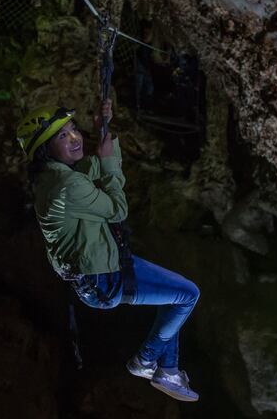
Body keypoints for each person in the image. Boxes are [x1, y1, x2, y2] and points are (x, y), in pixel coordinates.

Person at [16, 100, 200, 402]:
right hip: (104, 280)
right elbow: (117, 209)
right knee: (186, 294)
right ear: (44, 150)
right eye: (63, 137)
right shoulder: (66, 185)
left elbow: (88, 169)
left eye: (74, 130)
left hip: (103, 271)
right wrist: (110, 161)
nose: (75, 138)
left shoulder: (50, 178)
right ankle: (148, 361)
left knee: (174, 296)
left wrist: (104, 130)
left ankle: (167, 368)